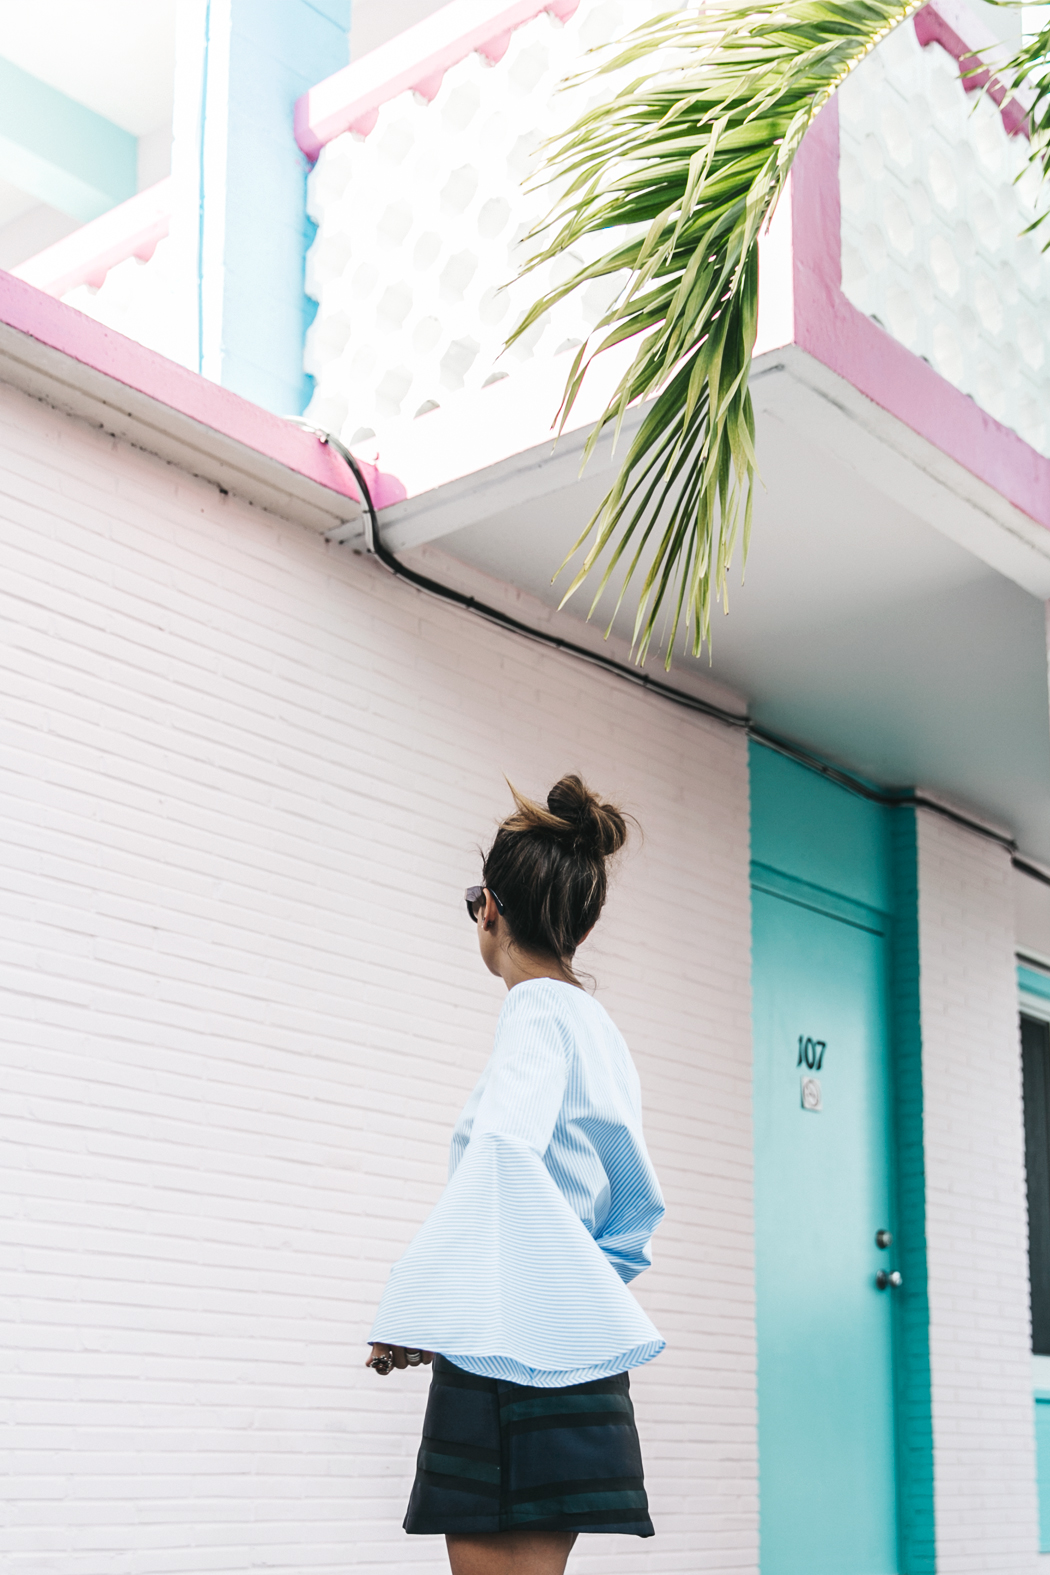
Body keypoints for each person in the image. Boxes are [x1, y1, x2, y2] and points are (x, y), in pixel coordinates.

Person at [366, 774, 665, 1575]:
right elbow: (636, 1207)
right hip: (576, 1359)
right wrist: (578, 1299)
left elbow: (502, 1157)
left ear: (490, 909)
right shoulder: (599, 1030)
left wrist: (420, 1305)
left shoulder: (533, 1012)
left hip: (507, 1365)